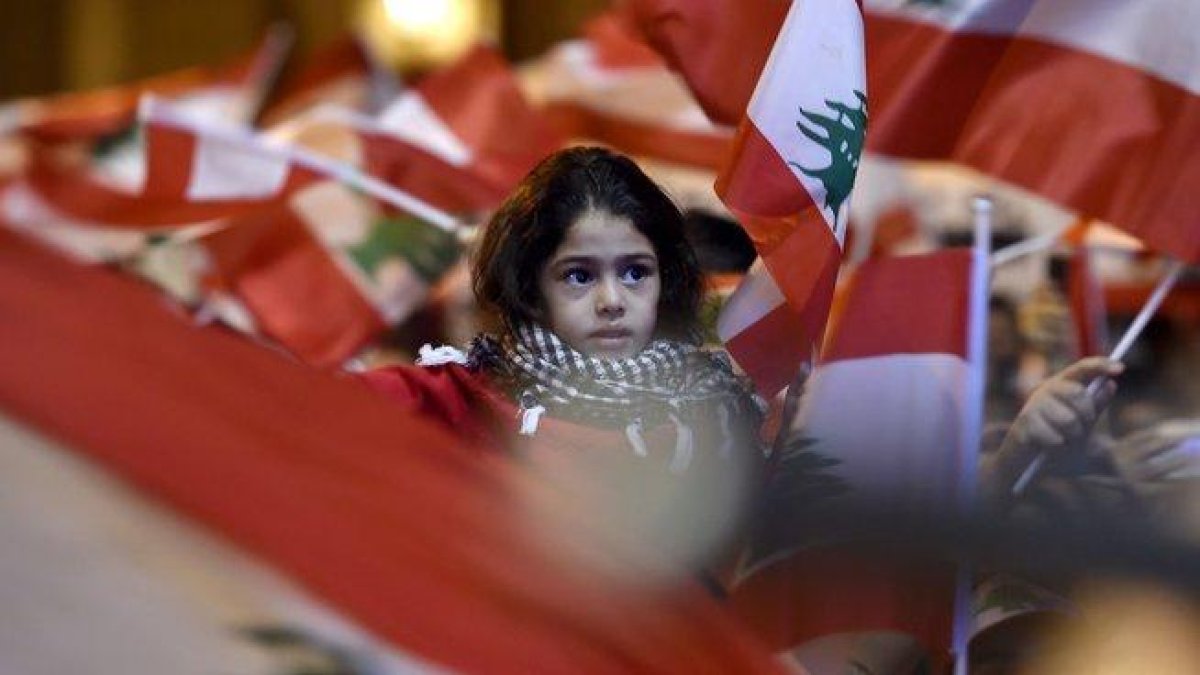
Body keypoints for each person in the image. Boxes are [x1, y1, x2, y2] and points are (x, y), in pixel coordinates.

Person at [360, 146, 788, 570]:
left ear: (667, 280)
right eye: (579, 276)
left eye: (636, 272)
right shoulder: (433, 402)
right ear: (529, 290)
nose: (612, 301)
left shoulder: (730, 426)